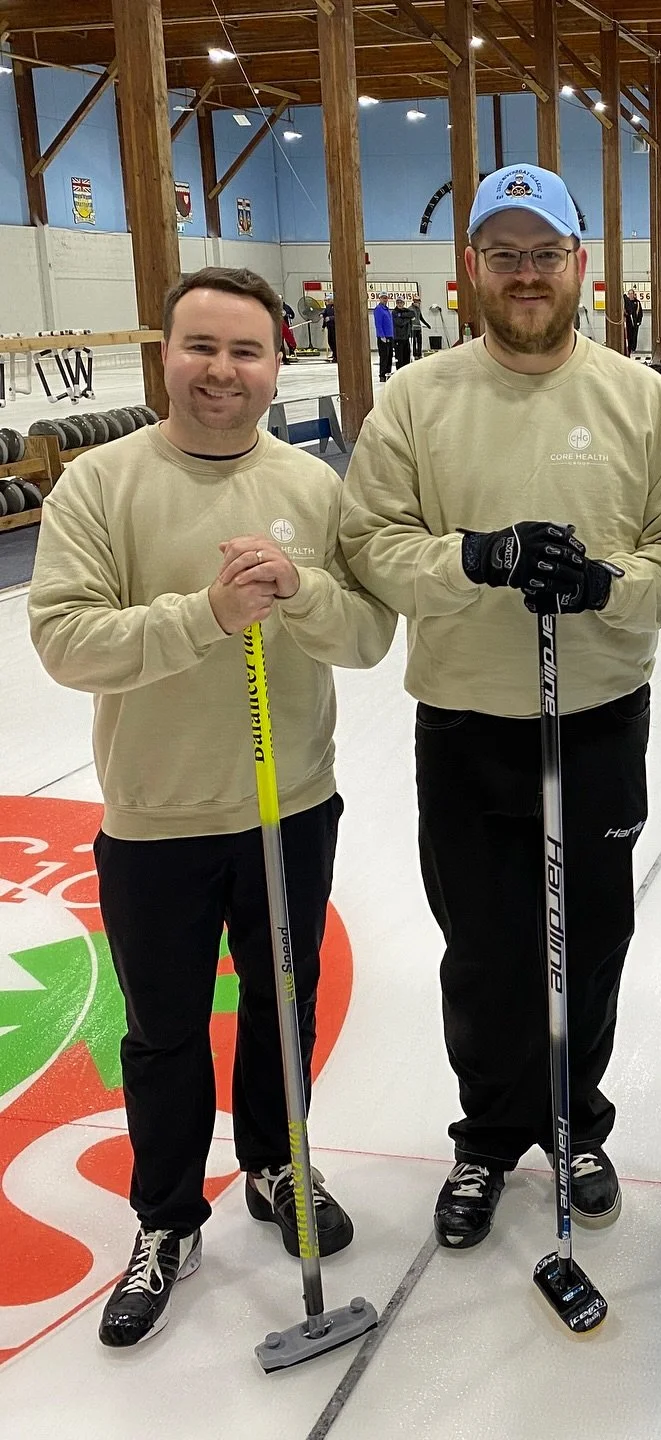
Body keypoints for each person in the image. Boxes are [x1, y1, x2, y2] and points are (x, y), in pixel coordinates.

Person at [27, 266, 396, 1349]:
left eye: (245, 351)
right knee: (164, 1032)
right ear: (165, 356)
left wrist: (302, 590)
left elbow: (367, 639)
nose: (222, 371)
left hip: (289, 806)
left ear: (279, 362)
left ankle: (278, 1168)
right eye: (201, 347)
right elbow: (63, 640)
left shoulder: (315, 487)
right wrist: (204, 615)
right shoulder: (101, 484)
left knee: (284, 1009)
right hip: (157, 818)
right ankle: (166, 1217)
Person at [340, 165, 661, 1251]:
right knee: (485, 945)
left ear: (580, 264)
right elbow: (371, 543)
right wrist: (475, 557)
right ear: (473, 273)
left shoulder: (640, 400)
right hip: (464, 718)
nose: (527, 273)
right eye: (504, 254)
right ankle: (488, 1136)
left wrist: (606, 588)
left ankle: (576, 1122)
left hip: (593, 714)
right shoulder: (417, 400)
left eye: (545, 252)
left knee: (588, 937)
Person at [374, 295, 394, 381]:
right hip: (383, 337)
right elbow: (378, 324)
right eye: (383, 298)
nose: (385, 300)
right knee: (384, 357)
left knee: (389, 357)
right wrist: (382, 335)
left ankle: (388, 373)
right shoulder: (378, 309)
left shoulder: (387, 309)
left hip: (390, 336)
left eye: (386, 298)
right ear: (380, 299)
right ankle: (382, 375)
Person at [391, 296, 414, 372]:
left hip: (406, 338)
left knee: (407, 357)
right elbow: (400, 323)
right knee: (400, 358)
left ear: (404, 303)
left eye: (401, 302)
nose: (399, 304)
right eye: (398, 302)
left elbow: (412, 314)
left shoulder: (406, 310)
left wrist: (402, 315)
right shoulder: (394, 312)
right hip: (398, 338)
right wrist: (408, 318)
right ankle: (399, 372)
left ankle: (406, 371)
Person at [623, 287, 643, 358]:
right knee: (629, 336)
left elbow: (640, 312)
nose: (631, 295)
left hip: (635, 322)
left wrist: (639, 321)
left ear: (634, 294)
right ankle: (628, 348)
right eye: (629, 294)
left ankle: (633, 348)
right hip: (628, 323)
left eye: (632, 294)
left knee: (634, 336)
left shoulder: (637, 302)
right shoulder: (626, 302)